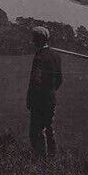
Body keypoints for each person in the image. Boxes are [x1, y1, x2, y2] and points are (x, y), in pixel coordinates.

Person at [27, 26, 63, 158]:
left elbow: (35, 82)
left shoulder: (39, 56)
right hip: (51, 100)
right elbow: (59, 80)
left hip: (39, 102)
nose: (33, 40)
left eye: (34, 38)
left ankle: (40, 160)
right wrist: (49, 93)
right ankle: (53, 158)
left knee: (36, 132)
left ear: (39, 40)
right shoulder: (56, 56)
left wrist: (31, 100)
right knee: (49, 130)